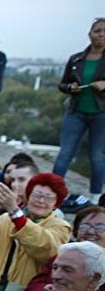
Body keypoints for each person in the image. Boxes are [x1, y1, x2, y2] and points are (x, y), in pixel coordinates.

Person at [51, 18, 105, 199]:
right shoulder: (76, 59)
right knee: (65, 153)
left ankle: (95, 195)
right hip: (76, 111)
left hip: (101, 113)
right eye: (97, 31)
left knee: (97, 156)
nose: (101, 34)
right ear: (90, 34)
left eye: (104, 31)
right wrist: (70, 88)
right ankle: (53, 191)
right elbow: (62, 84)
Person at [24, 205, 105, 291]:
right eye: (85, 226)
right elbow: (33, 289)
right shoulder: (61, 257)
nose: (91, 232)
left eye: (100, 227)